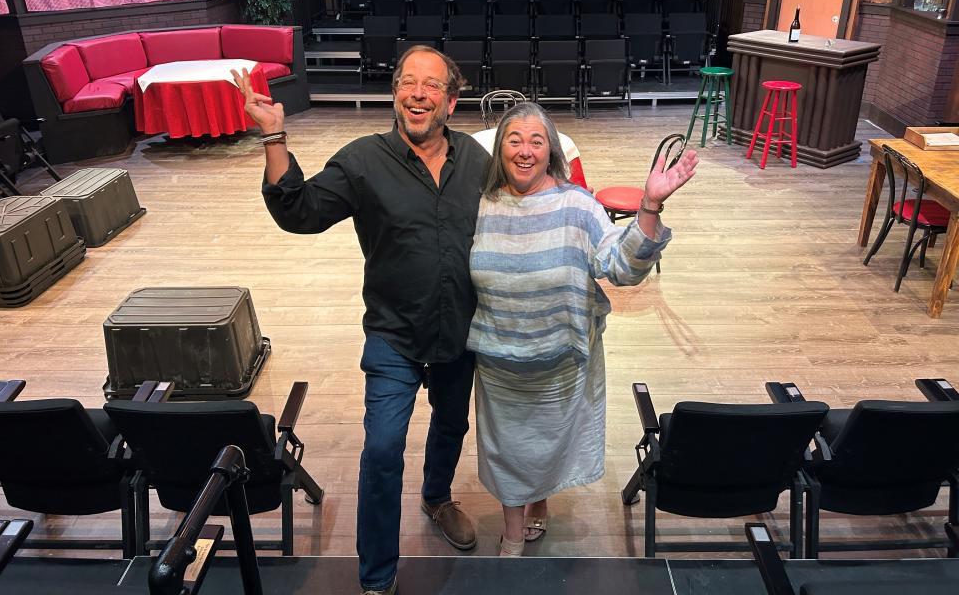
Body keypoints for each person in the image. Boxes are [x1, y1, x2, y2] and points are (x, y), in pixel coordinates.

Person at [231, 45, 490, 595]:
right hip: (394, 334)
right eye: (408, 83)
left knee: (450, 425)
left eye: (432, 85)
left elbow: (528, 206)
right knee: (381, 449)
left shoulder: (476, 161)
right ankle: (376, 577)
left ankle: (437, 496)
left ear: (452, 99)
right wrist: (274, 137)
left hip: (461, 332)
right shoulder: (363, 160)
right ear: (395, 92)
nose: (418, 93)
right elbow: (299, 212)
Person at [467, 104, 698, 556]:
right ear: (500, 149)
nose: (525, 150)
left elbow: (623, 268)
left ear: (551, 149)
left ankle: (539, 503)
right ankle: (513, 531)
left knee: (546, 441)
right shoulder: (482, 202)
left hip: (562, 362)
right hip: (498, 363)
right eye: (514, 139)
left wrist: (650, 205)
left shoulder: (577, 204)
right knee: (509, 449)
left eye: (537, 140)